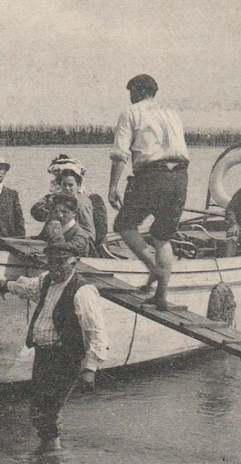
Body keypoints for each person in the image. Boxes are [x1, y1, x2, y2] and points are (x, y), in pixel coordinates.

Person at [0, 242, 108, 452]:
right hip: (44, 354)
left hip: (65, 356)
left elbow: (96, 331)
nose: (55, 268)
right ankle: (49, 448)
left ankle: (52, 451)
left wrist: (90, 368)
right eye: (51, 263)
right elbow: (26, 288)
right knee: (38, 404)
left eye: (60, 263)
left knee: (50, 406)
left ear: (73, 263)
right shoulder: (46, 281)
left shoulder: (83, 292)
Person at [108, 74, 190, 311]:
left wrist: (113, 187)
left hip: (152, 175)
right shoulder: (172, 113)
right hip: (180, 176)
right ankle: (161, 296)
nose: (130, 96)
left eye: (131, 91)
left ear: (137, 91)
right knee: (163, 237)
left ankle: (153, 269)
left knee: (124, 225)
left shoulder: (131, 112)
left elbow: (120, 154)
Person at [31, 158, 95, 242]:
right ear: (60, 185)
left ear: (78, 185)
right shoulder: (58, 199)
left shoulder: (82, 203)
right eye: (64, 185)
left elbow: (89, 232)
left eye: (71, 185)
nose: (67, 188)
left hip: (77, 241)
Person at [42, 193, 96, 257]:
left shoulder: (81, 235)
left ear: (74, 213)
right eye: (56, 211)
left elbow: (62, 253)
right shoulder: (57, 228)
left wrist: (56, 233)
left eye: (64, 212)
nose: (59, 215)